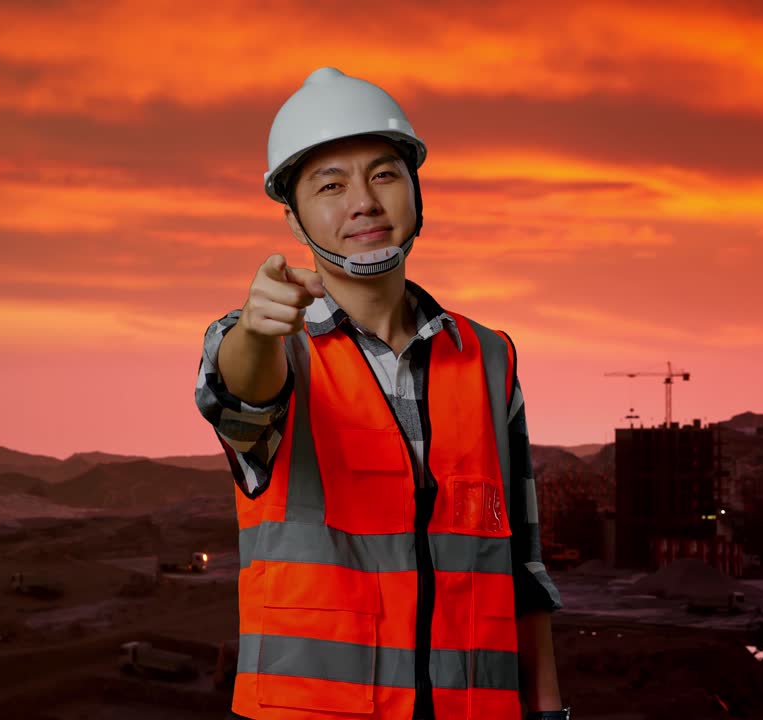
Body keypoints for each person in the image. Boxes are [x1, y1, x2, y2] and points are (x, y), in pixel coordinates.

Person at [195, 67, 568, 720]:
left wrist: (548, 714)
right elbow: (241, 397)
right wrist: (255, 330)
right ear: (293, 218)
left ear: (417, 192)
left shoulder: (489, 358)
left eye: (385, 175)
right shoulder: (271, 346)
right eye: (330, 185)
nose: (364, 202)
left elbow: (522, 572)